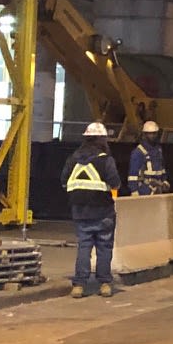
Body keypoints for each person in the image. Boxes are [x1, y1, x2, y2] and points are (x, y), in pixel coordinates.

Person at [64, 121, 122, 299]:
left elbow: (64, 179)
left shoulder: (74, 158)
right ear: (102, 139)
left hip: (80, 211)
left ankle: (79, 285)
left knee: (84, 247)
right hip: (103, 211)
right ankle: (104, 284)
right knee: (104, 247)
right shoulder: (106, 160)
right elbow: (115, 182)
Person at [126, 120, 171, 197]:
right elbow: (133, 175)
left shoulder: (158, 150)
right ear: (144, 134)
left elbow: (162, 168)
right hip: (144, 190)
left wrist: (164, 181)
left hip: (158, 190)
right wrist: (134, 191)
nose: (152, 136)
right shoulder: (138, 152)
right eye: (150, 133)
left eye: (154, 133)